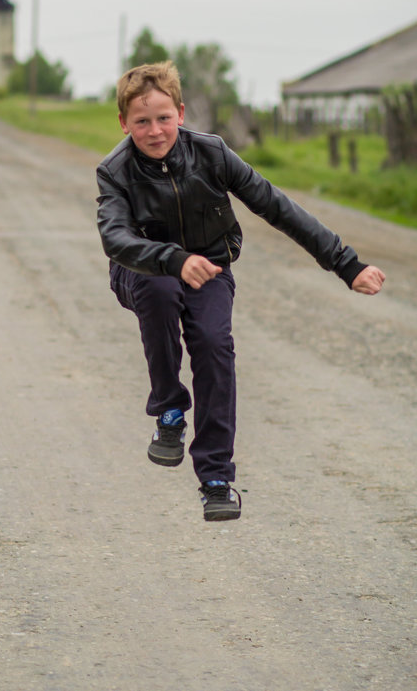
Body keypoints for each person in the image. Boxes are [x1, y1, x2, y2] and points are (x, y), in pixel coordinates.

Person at [96, 61, 385, 522]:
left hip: (210, 268)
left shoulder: (212, 154)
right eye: (142, 121)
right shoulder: (115, 171)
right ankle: (169, 411)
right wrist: (173, 259)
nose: (155, 131)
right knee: (160, 291)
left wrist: (347, 265)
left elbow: (279, 207)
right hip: (143, 270)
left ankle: (215, 478)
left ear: (182, 113)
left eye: (164, 118)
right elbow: (116, 238)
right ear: (124, 123)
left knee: (213, 345)